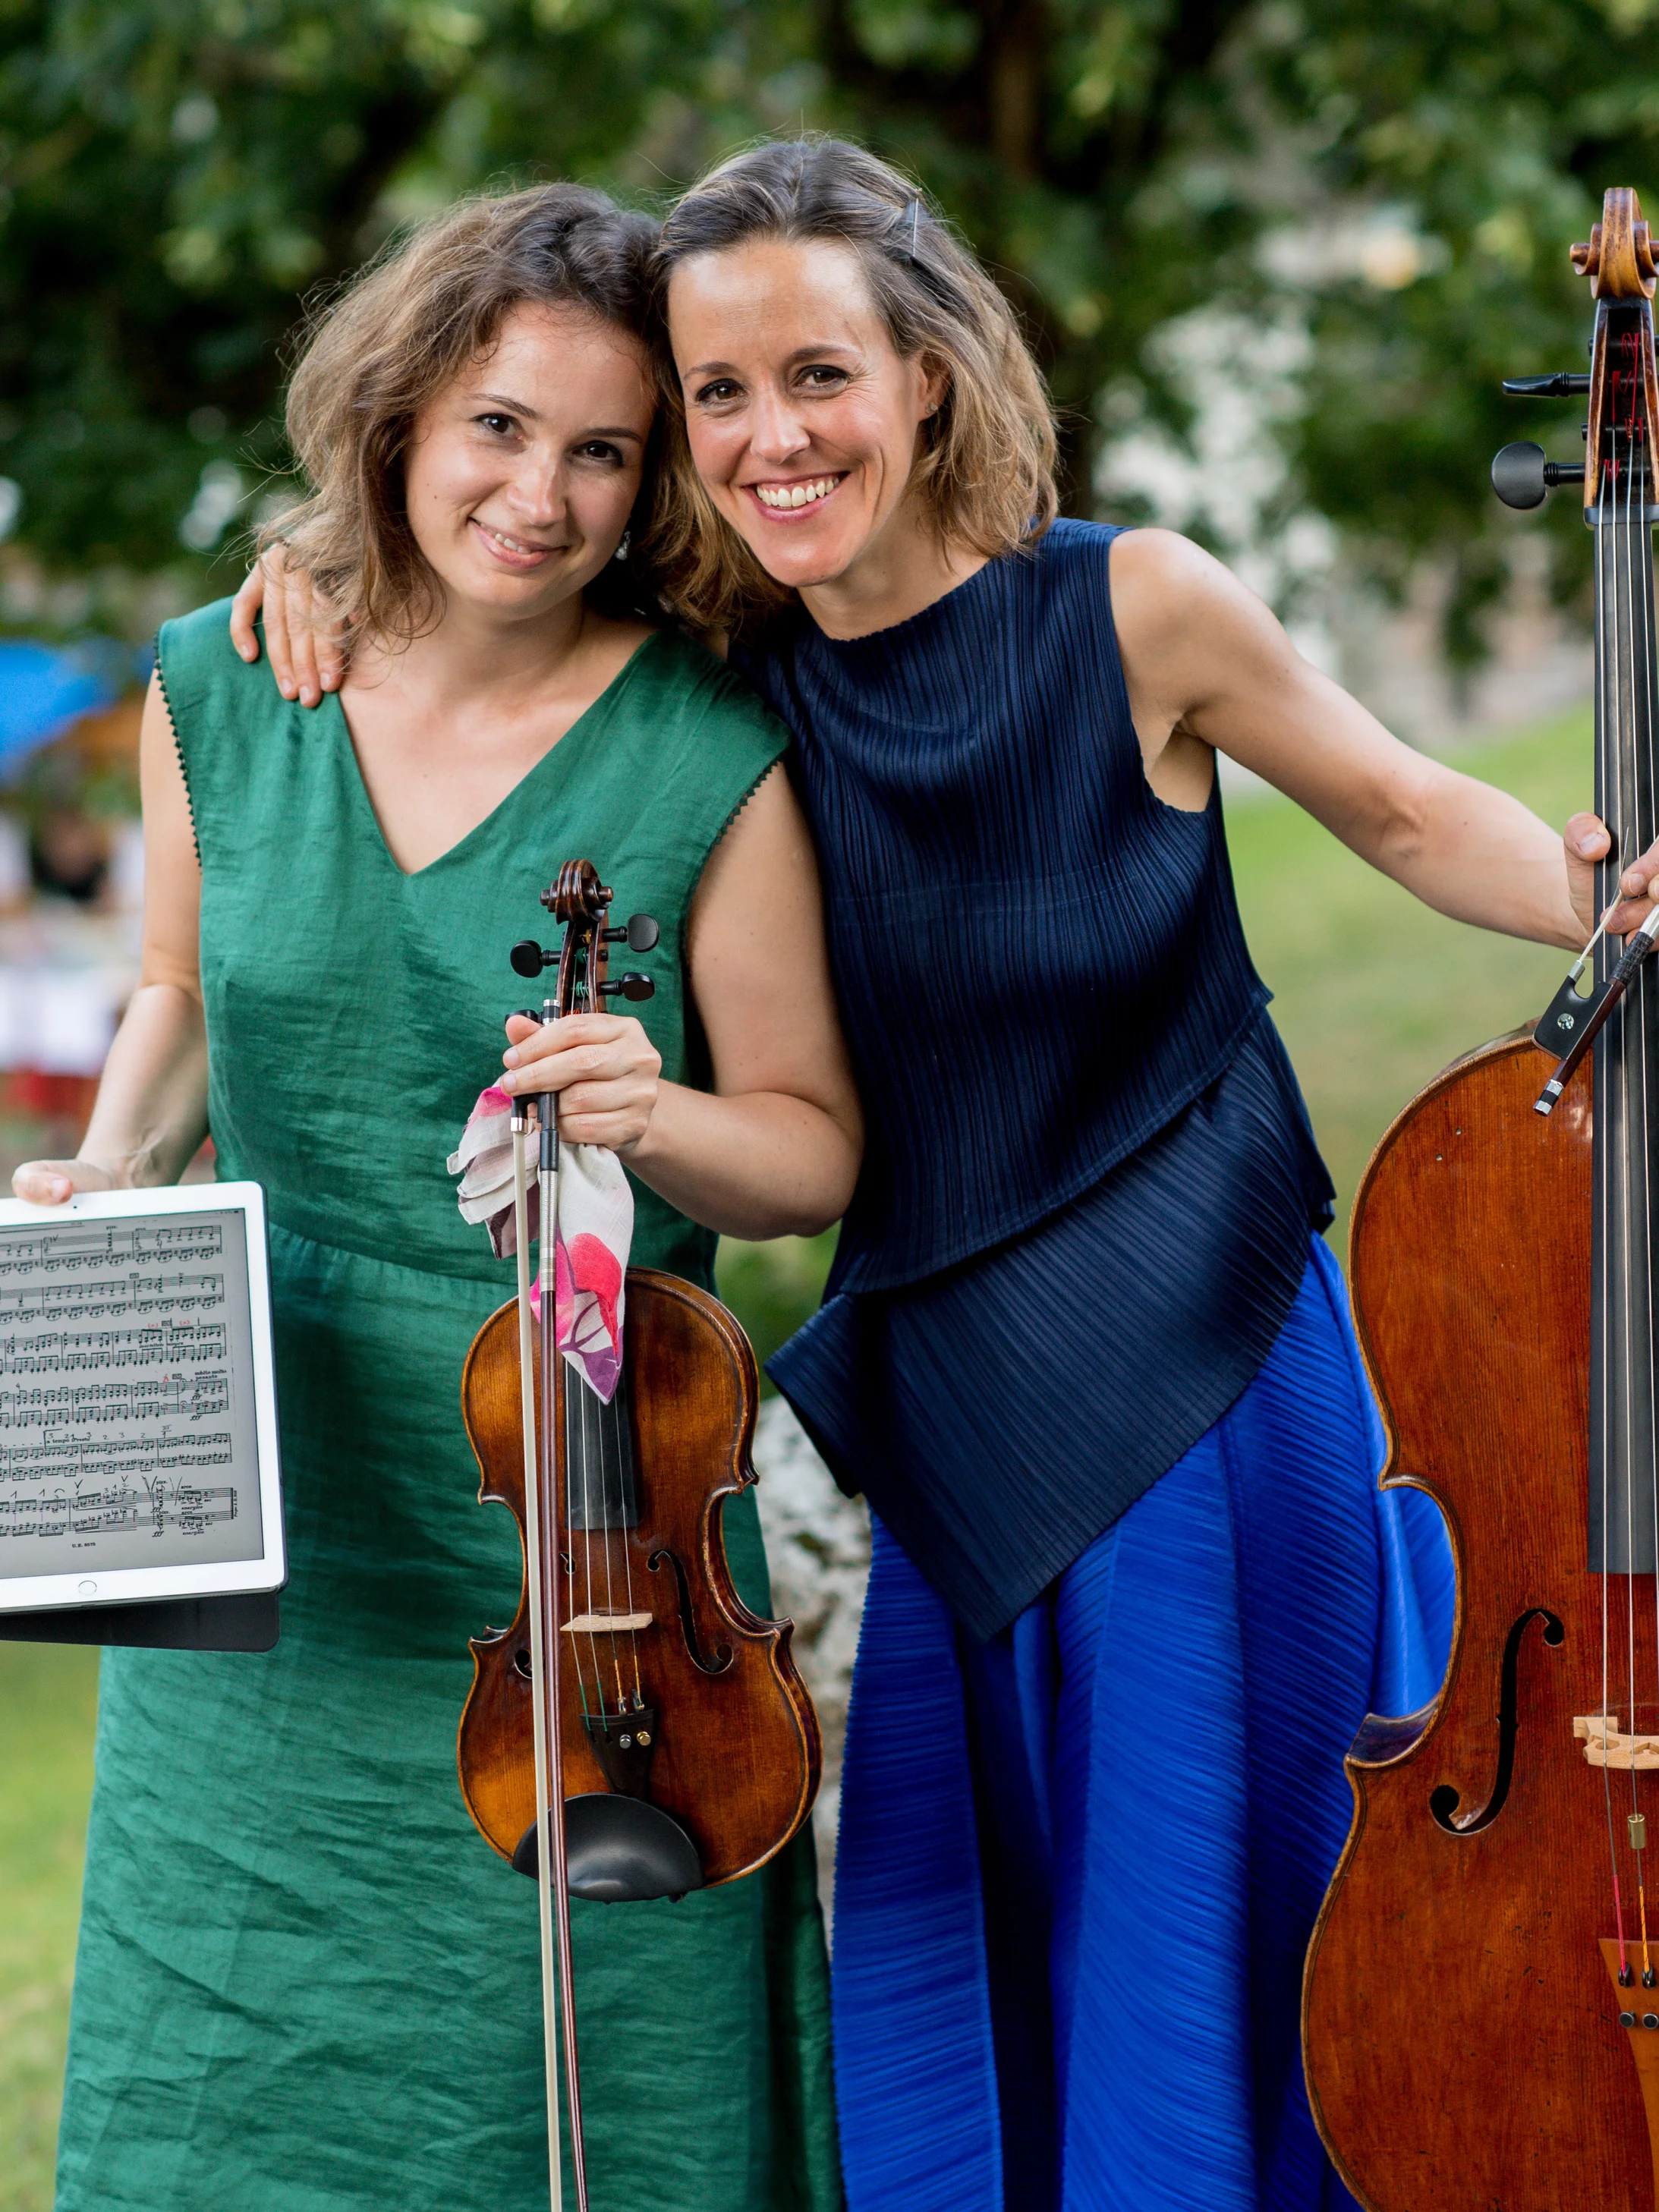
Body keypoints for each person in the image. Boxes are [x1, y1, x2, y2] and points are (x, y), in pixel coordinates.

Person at [235, 140, 1659, 2212]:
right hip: (959, 1404)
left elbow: (1412, 807)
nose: (766, 434)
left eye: (816, 372)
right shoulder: (723, 687)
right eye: (714, 396)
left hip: (1209, 1362)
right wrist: (323, 562)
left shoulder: (1136, 600)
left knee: (1232, 1920)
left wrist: (1607, 899)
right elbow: (484, 556)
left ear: (929, 375)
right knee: (972, 1936)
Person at [23, 183, 861, 2212]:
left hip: (584, 1520)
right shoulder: (225, 684)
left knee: (605, 2090)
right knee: (229, 2089)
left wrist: (654, 1113)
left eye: (602, 450)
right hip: (276, 1514)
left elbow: (814, 1142)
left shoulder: (710, 749)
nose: (539, 493)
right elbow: (173, 990)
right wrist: (109, 1164)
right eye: (497, 425)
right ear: (399, 412)